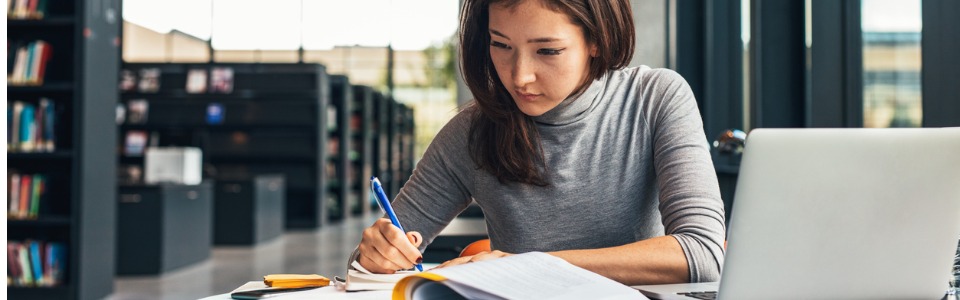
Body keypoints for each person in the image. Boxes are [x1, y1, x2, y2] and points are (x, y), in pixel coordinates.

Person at [351, 0, 725, 285]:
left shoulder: (655, 98)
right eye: (501, 45)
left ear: (596, 40)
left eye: (547, 51)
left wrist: (524, 266)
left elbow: (702, 253)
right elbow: (366, 269)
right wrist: (374, 256)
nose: (520, 76)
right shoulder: (470, 132)